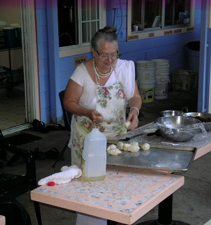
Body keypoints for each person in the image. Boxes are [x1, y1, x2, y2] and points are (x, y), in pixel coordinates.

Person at [63, 25, 142, 225]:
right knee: (91, 187)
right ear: (94, 52)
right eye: (104, 55)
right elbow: (69, 101)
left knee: (117, 185)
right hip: (87, 139)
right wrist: (87, 112)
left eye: (114, 55)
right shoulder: (82, 72)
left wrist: (134, 111)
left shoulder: (124, 69)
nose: (110, 60)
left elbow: (134, 97)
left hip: (116, 137)